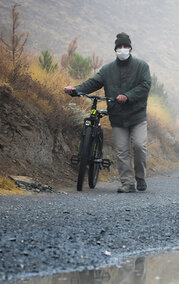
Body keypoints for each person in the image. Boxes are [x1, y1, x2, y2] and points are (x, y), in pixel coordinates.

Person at [64, 32, 151, 193]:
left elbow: (145, 86)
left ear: (130, 48)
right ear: (115, 49)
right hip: (117, 117)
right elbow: (93, 83)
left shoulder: (141, 66)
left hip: (137, 116)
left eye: (125, 47)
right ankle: (127, 183)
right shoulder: (108, 69)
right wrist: (76, 90)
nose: (122, 49)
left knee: (139, 146)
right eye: (119, 47)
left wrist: (127, 96)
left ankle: (140, 178)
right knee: (121, 151)